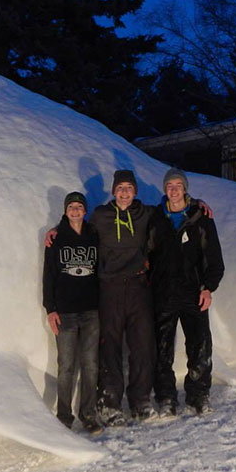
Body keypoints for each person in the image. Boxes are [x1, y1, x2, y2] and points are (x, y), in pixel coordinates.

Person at [148, 168, 224, 415]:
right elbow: (146, 254)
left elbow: (213, 257)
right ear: (165, 189)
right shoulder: (155, 218)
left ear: (185, 188)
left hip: (194, 292)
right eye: (169, 185)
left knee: (200, 346)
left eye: (178, 185)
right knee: (162, 349)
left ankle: (198, 394)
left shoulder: (200, 217)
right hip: (164, 293)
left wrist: (208, 287)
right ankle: (166, 397)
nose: (174, 189)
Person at [89, 169, 157, 425]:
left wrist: (197, 204)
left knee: (142, 344)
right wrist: (56, 231)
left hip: (139, 286)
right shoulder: (101, 215)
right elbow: (81, 232)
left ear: (135, 191)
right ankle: (109, 403)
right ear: (113, 191)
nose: (125, 193)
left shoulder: (145, 213)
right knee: (110, 345)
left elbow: (174, 208)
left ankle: (140, 400)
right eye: (120, 188)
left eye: (129, 188)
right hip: (110, 286)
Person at [42, 191, 102, 433]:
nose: (75, 210)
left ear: (85, 210)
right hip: (65, 312)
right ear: (66, 211)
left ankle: (88, 415)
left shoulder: (94, 235)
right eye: (71, 207)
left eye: (79, 206)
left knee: (90, 364)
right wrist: (50, 309)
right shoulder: (55, 239)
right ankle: (64, 416)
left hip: (91, 311)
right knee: (66, 365)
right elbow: (49, 275)